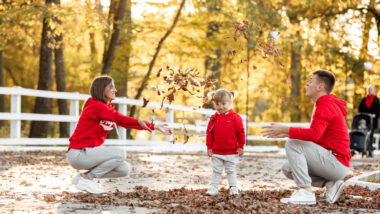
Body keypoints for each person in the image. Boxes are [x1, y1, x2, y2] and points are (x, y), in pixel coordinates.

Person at [68, 75, 172, 194]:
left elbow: (124, 122)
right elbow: (119, 118)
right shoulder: (95, 106)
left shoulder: (106, 108)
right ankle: (88, 179)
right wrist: (140, 122)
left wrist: (154, 126)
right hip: (79, 154)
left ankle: (84, 177)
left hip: (88, 153)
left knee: (124, 169)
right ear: (102, 89)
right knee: (120, 153)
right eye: (111, 87)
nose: (115, 90)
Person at [262, 70, 351, 205]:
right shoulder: (324, 103)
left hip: (336, 162)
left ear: (320, 87)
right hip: (334, 162)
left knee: (293, 144)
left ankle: (305, 192)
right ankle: (331, 184)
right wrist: (287, 132)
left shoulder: (325, 104)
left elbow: (314, 134)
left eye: (310, 81)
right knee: (288, 168)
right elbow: (317, 135)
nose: (307, 84)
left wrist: (287, 130)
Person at [205, 89, 245, 196]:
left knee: (230, 170)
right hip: (217, 151)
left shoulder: (235, 118)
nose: (221, 106)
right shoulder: (214, 118)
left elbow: (240, 132)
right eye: (218, 104)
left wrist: (241, 146)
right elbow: (209, 133)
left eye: (223, 104)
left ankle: (233, 187)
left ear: (230, 103)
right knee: (216, 170)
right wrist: (209, 147)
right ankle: (214, 187)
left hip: (231, 151)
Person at [358, 85, 380, 156]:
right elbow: (360, 109)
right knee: (364, 135)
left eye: (371, 90)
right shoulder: (364, 100)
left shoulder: (376, 100)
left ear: (373, 91)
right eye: (368, 89)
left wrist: (374, 115)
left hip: (373, 121)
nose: (370, 91)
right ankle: (363, 149)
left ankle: (370, 150)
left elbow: (378, 111)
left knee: (371, 136)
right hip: (365, 121)